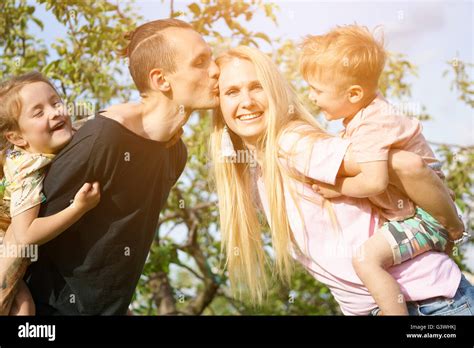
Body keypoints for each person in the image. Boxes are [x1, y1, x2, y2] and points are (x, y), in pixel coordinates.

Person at [210, 45, 473, 315]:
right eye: (232, 91)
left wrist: (450, 221)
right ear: (218, 102)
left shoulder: (294, 145)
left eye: (257, 86)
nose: (247, 101)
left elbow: (406, 164)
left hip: (431, 305)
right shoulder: (256, 175)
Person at [25, 18, 220, 315]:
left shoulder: (176, 153)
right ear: (160, 80)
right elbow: (24, 232)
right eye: (201, 62)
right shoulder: (104, 138)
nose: (216, 70)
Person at [299, 25, 467, 314]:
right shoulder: (362, 119)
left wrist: (336, 188)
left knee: (365, 259)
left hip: (427, 217)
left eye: (317, 90)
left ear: (353, 94)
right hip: (420, 213)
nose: (312, 97)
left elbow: (374, 181)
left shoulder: (373, 122)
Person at [0, 72, 100, 315]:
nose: (55, 112)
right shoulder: (26, 168)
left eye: (56, 103)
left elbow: (100, 127)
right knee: (23, 308)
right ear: (17, 137)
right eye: (38, 112)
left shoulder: (64, 138)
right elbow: (26, 235)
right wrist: (78, 208)